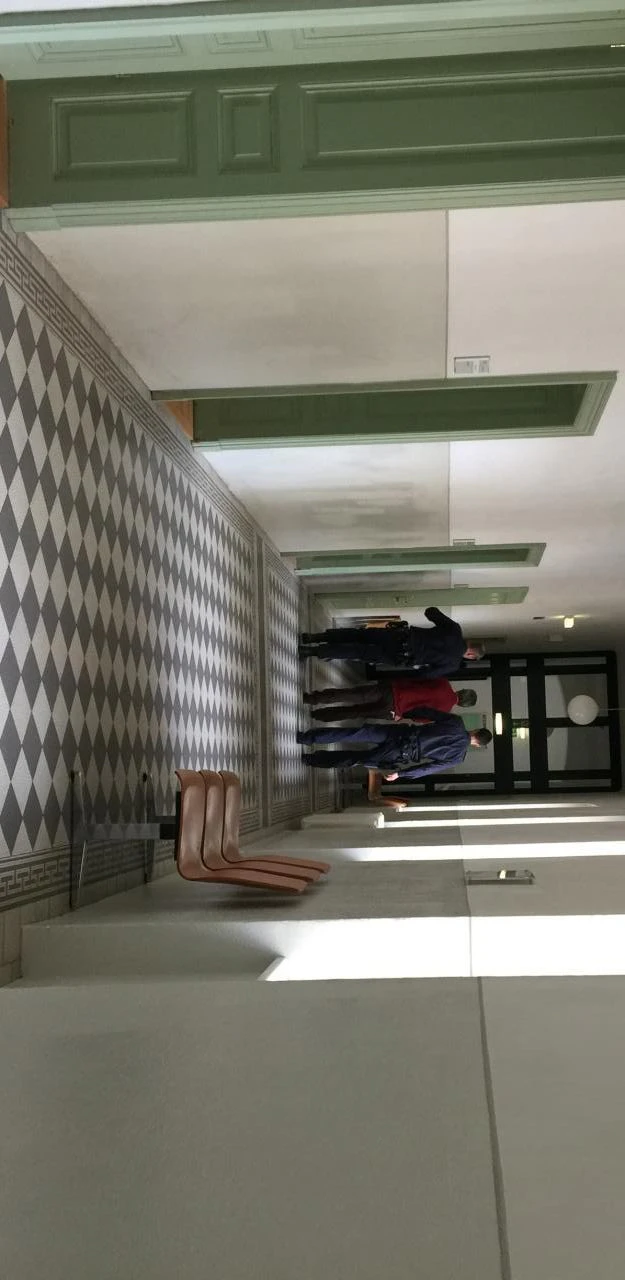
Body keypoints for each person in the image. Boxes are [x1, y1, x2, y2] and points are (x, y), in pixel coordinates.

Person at [296, 709, 492, 780]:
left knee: (354, 733)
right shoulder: (457, 758)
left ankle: (306, 738)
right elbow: (428, 768)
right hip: (400, 755)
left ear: (474, 730)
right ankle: (310, 759)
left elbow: (427, 712)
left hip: (401, 733)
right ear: (477, 745)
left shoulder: (456, 722)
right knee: (355, 759)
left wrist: (403, 714)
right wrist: (401, 774)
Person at [298, 607, 483, 676]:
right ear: (471, 655)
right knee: (359, 652)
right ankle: (312, 652)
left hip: (400, 636)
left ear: (470, 642)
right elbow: (427, 674)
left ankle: (314, 637)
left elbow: (431, 611)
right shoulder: (452, 664)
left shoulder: (455, 629)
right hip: (401, 656)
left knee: (358, 634)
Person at [303, 675, 477, 723]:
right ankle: (319, 716)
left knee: (353, 694)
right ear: (462, 705)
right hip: (394, 711)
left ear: (462, 690)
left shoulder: (443, 683)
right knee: (356, 712)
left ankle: (313, 698)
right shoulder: (445, 712)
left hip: (394, 691)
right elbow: (419, 719)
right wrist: (401, 715)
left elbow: (418, 678)